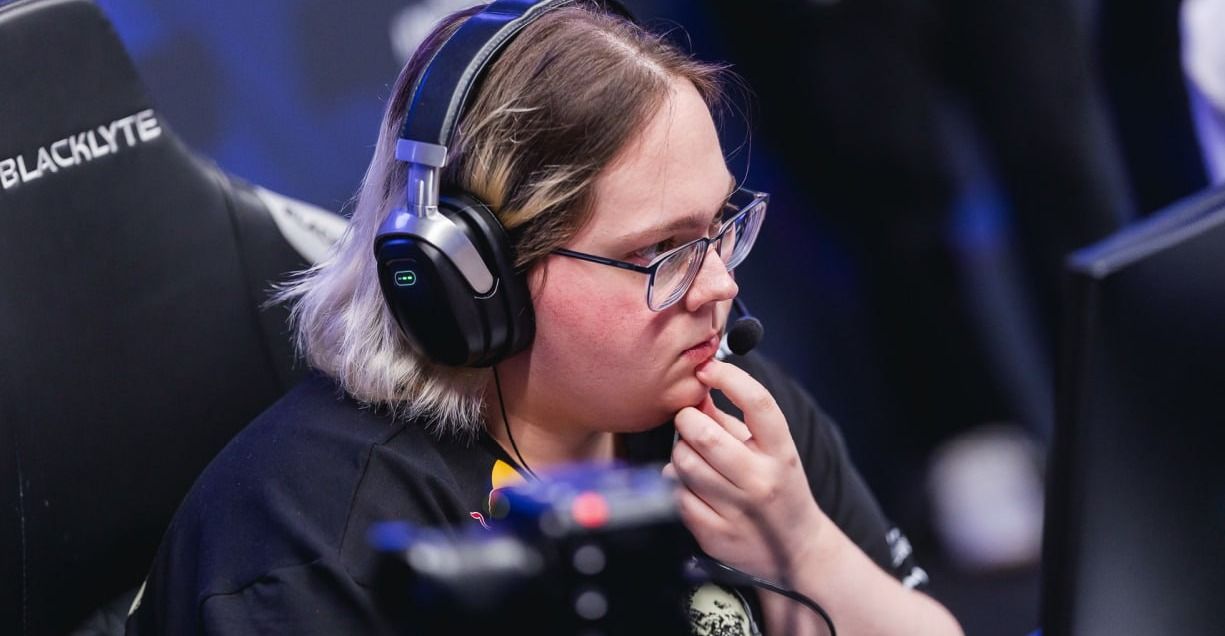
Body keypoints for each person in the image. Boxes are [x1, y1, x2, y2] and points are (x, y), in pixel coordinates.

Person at [125, 2, 962, 634]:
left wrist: (802, 546)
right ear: (473, 276)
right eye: (660, 251)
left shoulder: (727, 425)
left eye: (718, 229)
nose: (718, 286)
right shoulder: (308, 540)